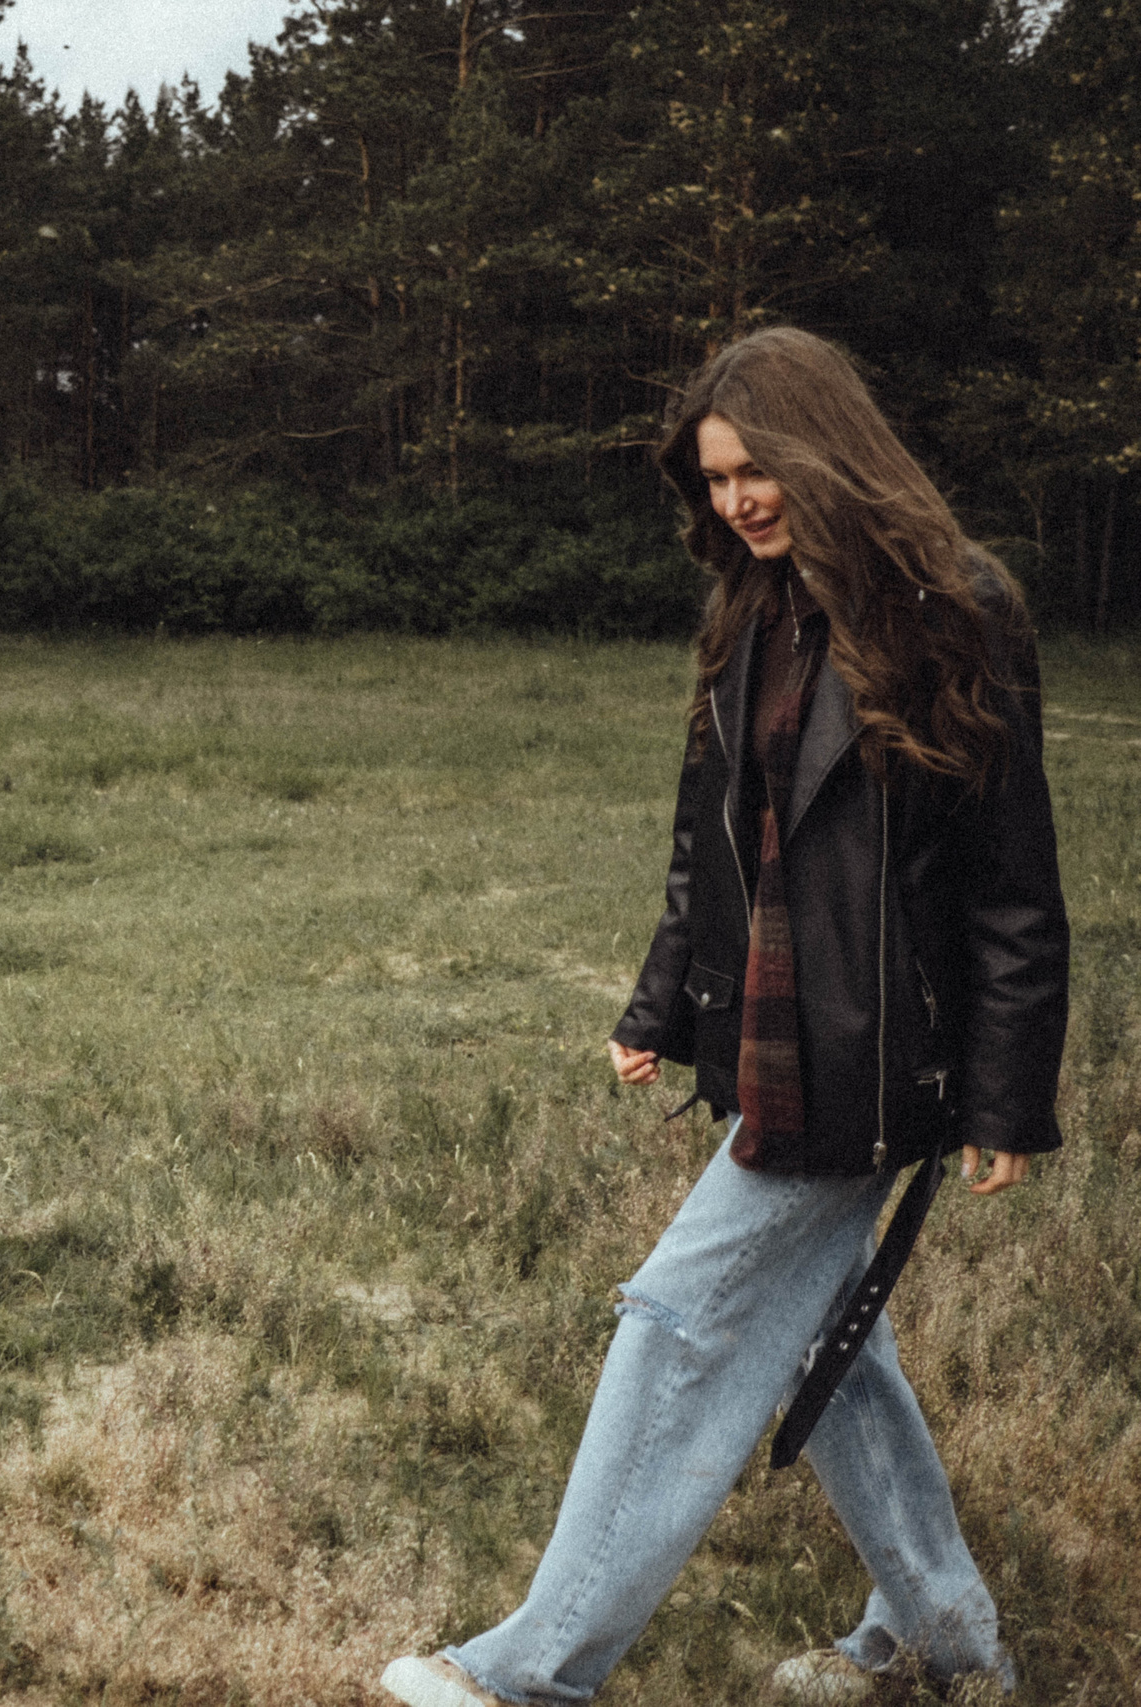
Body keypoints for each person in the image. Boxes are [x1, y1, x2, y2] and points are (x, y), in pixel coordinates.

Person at [381, 327, 1068, 1706]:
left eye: (758, 469)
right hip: (776, 1038)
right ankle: (946, 1639)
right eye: (717, 479)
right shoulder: (760, 606)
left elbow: (1013, 875)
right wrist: (659, 1000)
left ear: (826, 448)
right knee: (828, 1336)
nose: (741, 501)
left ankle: (531, 1670)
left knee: (681, 1318)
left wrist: (1007, 1091)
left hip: (882, 1060)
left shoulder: (958, 606)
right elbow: (720, 841)